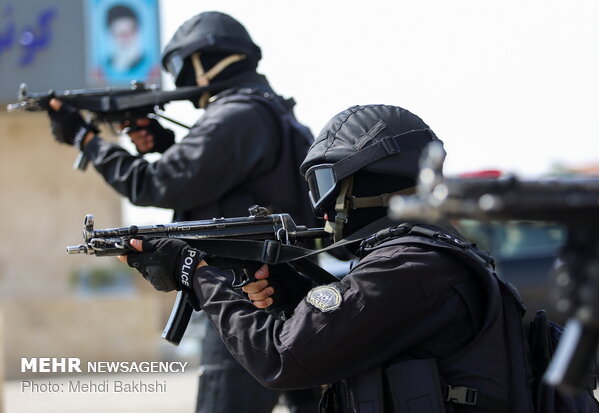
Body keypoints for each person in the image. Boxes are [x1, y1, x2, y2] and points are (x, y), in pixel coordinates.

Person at [119, 104, 535, 412]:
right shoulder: (429, 256)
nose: (321, 208)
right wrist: (292, 291)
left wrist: (197, 273)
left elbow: (282, 359)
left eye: (326, 183)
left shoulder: (408, 266)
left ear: (373, 177)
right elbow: (357, 326)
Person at [47, 11, 321, 413]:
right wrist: (164, 143)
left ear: (203, 61)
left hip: (244, 297)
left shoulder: (237, 114)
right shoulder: (272, 111)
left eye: (180, 66)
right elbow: (227, 178)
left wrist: (85, 138)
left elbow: (151, 184)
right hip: (282, 294)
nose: (180, 80)